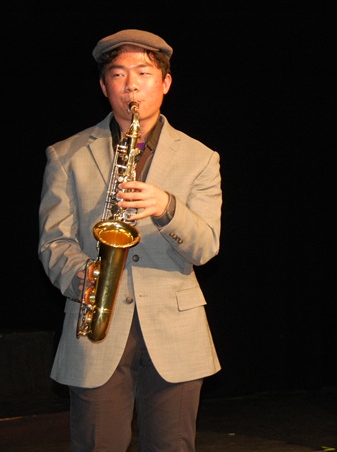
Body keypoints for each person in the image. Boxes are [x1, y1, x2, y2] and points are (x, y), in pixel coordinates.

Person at [38, 29, 222, 451]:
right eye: (118, 74)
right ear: (104, 87)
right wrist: (81, 275)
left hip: (176, 329)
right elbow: (53, 241)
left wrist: (167, 207)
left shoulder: (201, 158)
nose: (131, 85)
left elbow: (206, 246)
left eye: (143, 72)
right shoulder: (65, 155)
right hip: (95, 325)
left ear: (166, 82)